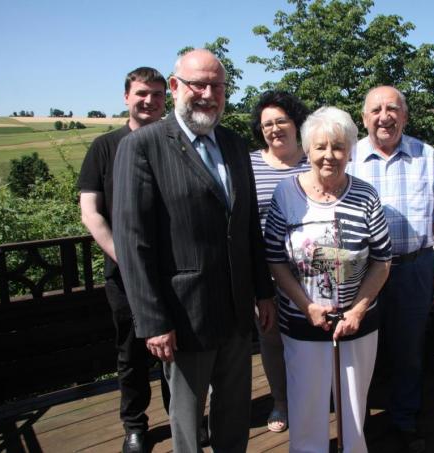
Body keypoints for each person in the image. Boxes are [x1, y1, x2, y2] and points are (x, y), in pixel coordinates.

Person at [112, 49, 275, 453]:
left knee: (234, 412)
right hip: (184, 316)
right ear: (175, 86)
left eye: (217, 86)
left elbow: (248, 226)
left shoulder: (234, 144)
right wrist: (152, 320)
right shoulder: (143, 146)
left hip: (237, 311)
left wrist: (263, 292)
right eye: (198, 84)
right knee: (187, 422)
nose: (207, 94)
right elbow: (133, 243)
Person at [263, 106, 392, 453]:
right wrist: (307, 307)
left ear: (350, 151)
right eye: (320, 147)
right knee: (306, 406)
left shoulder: (366, 195)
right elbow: (275, 258)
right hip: (302, 320)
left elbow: (382, 260)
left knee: (353, 406)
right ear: (308, 149)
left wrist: (358, 310)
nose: (329, 155)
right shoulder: (286, 193)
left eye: (338, 147)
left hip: (357, 322)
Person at [346, 85, 434, 452]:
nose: (384, 116)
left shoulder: (426, 155)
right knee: (358, 350)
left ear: (404, 116)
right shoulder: (348, 156)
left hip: (413, 268)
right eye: (376, 110)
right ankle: (356, 423)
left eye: (392, 109)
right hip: (361, 273)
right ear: (364, 118)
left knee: (409, 351)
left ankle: (404, 419)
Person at [77, 66, 169, 453]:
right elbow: (90, 212)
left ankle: (184, 417)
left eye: (157, 94)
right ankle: (135, 426)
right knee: (132, 353)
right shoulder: (105, 147)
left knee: (177, 352)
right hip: (124, 275)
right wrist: (128, 260)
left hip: (173, 271)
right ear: (126, 97)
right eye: (141, 93)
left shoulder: (176, 143)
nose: (149, 100)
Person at [248, 90, 311, 433]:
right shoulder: (249, 165)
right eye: (267, 124)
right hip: (266, 274)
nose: (274, 129)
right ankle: (281, 402)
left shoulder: (315, 158)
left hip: (313, 272)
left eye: (281, 121)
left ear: (296, 122)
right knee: (271, 339)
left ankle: (314, 396)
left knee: (311, 336)